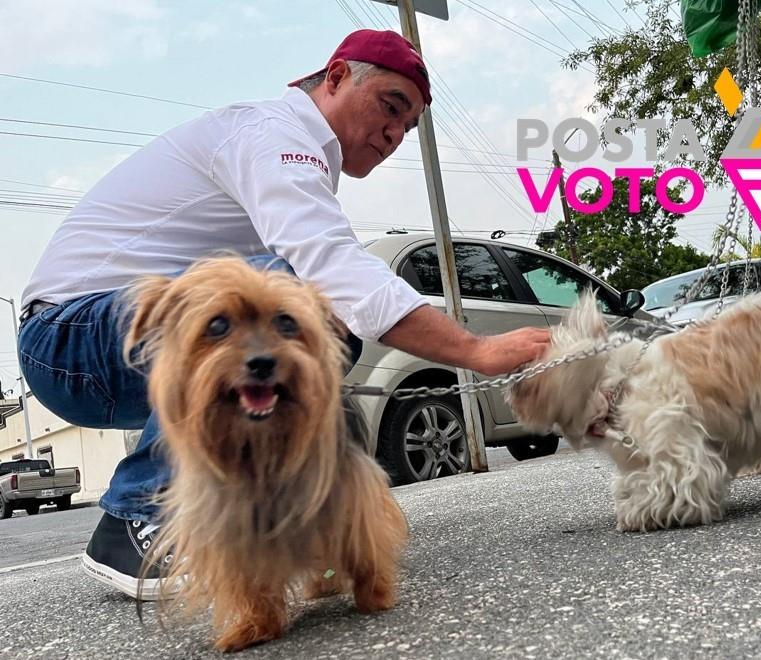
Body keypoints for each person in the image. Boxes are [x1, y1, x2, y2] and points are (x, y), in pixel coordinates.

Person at [16, 29, 550, 600]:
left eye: (408, 126)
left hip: (102, 345)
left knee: (317, 332)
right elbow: (330, 265)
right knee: (297, 294)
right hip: (70, 339)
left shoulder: (299, 154)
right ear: (338, 76)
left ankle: (289, 522)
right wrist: (478, 351)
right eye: (390, 107)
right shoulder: (273, 133)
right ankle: (136, 515)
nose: (395, 134)